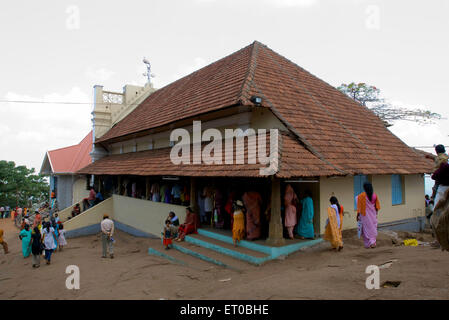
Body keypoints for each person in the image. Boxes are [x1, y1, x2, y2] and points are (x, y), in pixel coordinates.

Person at [356, 182, 381, 249]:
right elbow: (377, 206)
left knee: (365, 229)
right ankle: (373, 242)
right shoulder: (375, 195)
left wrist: (358, 215)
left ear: (364, 188)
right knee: (373, 228)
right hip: (373, 214)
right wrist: (376, 214)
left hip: (365, 215)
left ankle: (368, 244)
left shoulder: (361, 196)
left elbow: (359, 207)